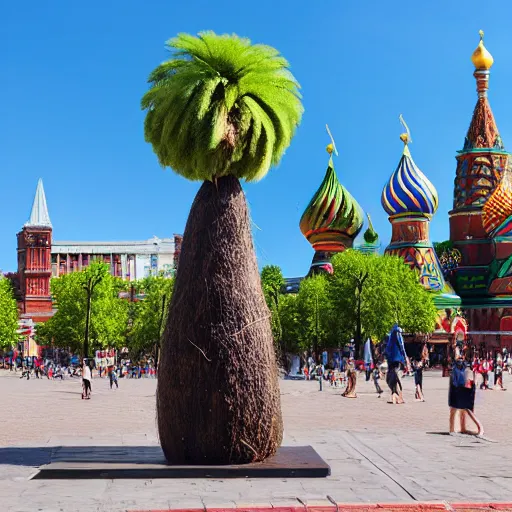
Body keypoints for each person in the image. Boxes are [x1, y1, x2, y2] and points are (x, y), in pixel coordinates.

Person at [449, 355, 484, 437]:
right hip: (459, 391)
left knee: (467, 411)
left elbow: (469, 382)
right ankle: (458, 428)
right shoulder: (458, 370)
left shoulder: (465, 370)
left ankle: (479, 428)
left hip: (465, 391)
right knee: (457, 411)